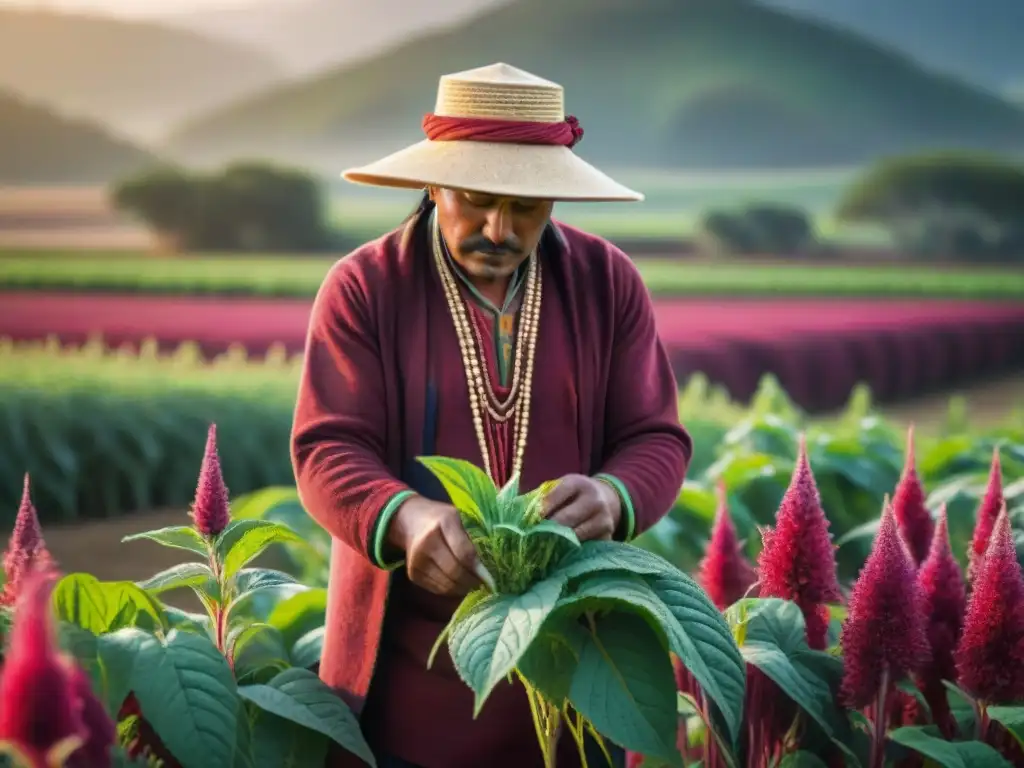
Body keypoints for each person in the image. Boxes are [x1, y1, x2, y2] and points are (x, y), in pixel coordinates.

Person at [290, 62, 692, 768]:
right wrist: (407, 517)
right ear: (433, 184)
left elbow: (654, 436)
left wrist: (611, 496)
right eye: (475, 201)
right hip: (408, 677)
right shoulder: (364, 288)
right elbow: (328, 448)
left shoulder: (608, 284)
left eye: (528, 207)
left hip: (577, 662)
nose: (500, 230)